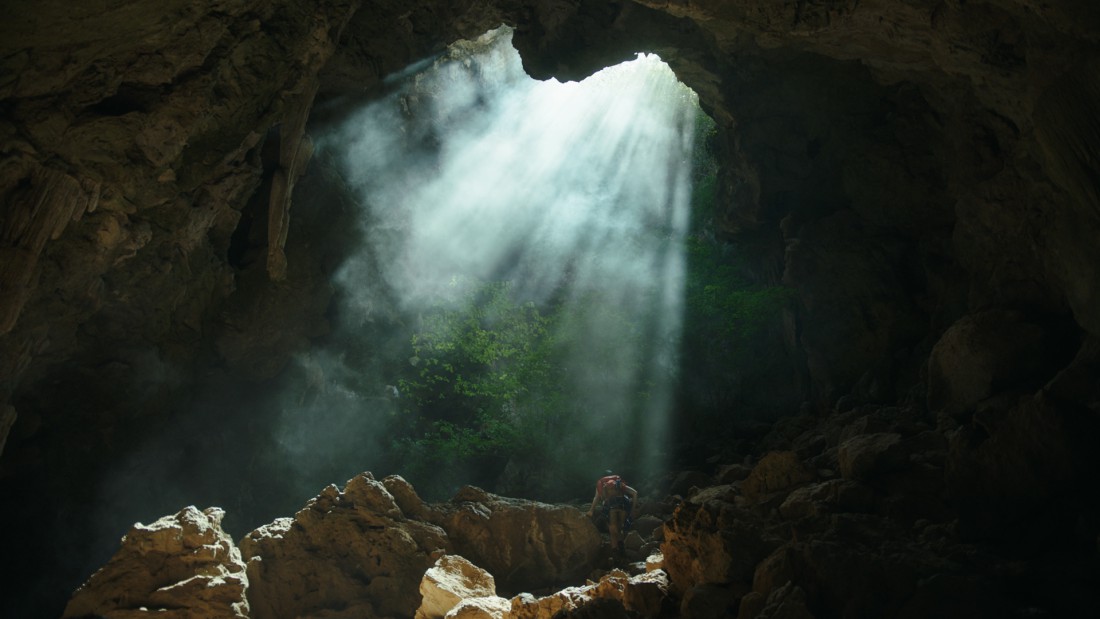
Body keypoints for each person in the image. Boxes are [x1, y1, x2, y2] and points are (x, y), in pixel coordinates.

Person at [586, 471, 638, 554]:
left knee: (612, 531)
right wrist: (632, 510)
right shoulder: (618, 483)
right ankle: (622, 552)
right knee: (620, 529)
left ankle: (615, 555)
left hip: (611, 507)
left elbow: (596, 498)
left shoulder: (601, 484)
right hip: (623, 505)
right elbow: (635, 493)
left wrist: (591, 510)